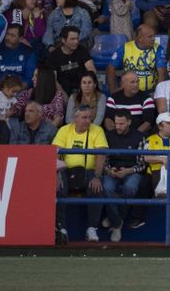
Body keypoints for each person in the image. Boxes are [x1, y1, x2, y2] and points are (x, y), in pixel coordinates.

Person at [52, 102, 108, 240]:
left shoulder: (97, 130)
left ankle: (91, 228)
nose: (88, 121)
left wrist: (97, 175)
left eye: (90, 117)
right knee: (58, 189)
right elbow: (55, 154)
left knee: (97, 189)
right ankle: (61, 228)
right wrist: (56, 174)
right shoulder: (65, 130)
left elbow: (101, 154)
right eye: (84, 117)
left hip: (89, 170)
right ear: (75, 118)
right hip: (65, 169)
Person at [99, 109, 146, 240]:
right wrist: (109, 170)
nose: (118, 126)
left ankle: (115, 219)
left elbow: (142, 164)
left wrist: (129, 171)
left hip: (131, 172)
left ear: (129, 122)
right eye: (116, 123)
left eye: (122, 124)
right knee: (107, 187)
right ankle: (117, 222)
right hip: (112, 171)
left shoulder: (139, 136)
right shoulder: (108, 135)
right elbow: (104, 159)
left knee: (130, 187)